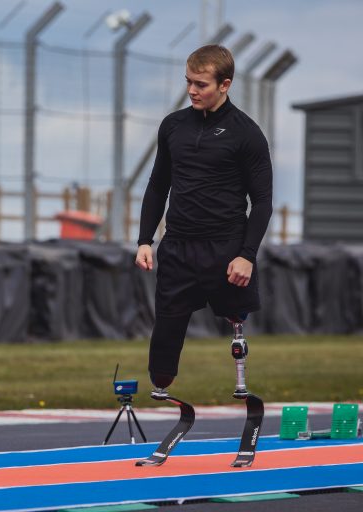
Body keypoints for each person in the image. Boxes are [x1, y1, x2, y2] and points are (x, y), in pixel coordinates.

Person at [135, 44, 272, 395]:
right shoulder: (173, 126)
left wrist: (247, 255)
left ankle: (241, 384)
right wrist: (145, 240)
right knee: (164, 337)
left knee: (236, 316)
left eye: (201, 84)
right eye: (188, 82)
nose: (192, 90)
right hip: (178, 245)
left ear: (224, 85)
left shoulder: (247, 133)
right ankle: (162, 390)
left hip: (225, 247)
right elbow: (157, 185)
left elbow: (262, 202)